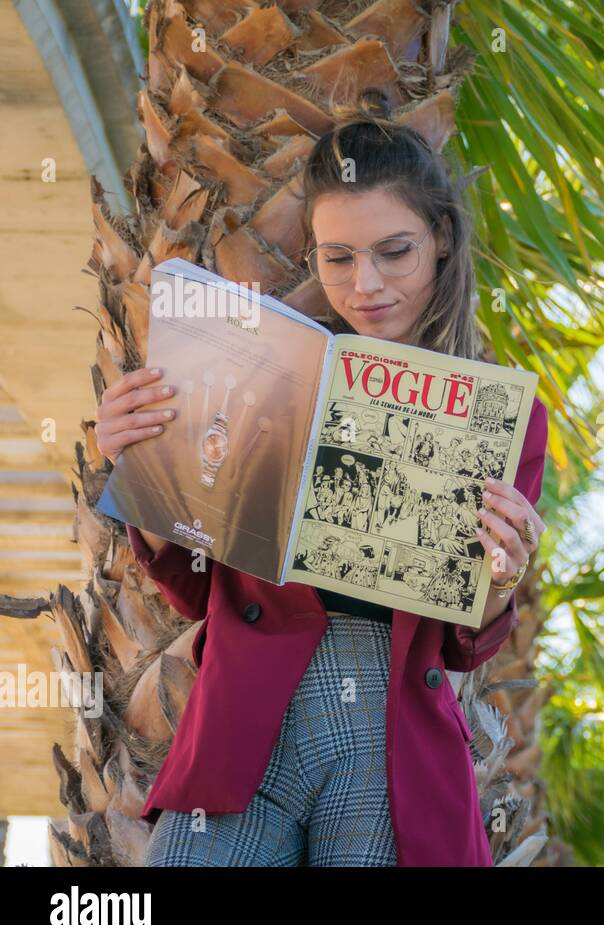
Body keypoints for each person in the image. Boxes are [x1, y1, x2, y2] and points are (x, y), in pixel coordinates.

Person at [91, 89, 549, 866]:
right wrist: (142, 460)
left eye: (393, 251)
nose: (365, 282)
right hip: (247, 715)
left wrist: (503, 577)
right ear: (312, 253)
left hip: (385, 734)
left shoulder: (504, 414)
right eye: (337, 257)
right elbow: (197, 585)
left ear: (440, 238)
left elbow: (468, 644)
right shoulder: (271, 374)